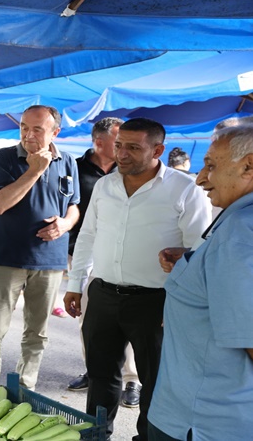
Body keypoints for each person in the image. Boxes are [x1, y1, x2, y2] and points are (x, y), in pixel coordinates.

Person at [63, 118, 211, 441]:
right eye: (119, 146)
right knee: (101, 377)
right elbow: (87, 235)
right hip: (102, 296)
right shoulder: (105, 185)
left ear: (158, 150)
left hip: (156, 302)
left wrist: (180, 303)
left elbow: (201, 250)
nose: (122, 154)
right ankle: (96, 434)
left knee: (154, 382)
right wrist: (75, 284)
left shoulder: (185, 189)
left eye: (133, 147)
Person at [148, 124, 253, 441]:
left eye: (211, 166)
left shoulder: (241, 232)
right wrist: (195, 259)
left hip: (206, 421)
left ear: (249, 166)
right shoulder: (235, 225)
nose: (200, 178)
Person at [0, 105, 80, 391]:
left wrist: (66, 224)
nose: (28, 134)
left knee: (37, 334)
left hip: (50, 260)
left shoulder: (68, 161)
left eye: (37, 129)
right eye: (23, 126)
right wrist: (34, 171)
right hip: (6, 258)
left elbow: (74, 207)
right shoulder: (5, 158)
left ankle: (25, 391)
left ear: (55, 132)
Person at [67, 117, 141, 408]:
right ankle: (96, 369)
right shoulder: (74, 168)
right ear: (99, 142)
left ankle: (131, 379)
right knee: (89, 317)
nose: (124, 150)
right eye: (118, 142)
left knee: (130, 317)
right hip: (83, 253)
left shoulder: (134, 173)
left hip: (125, 256)